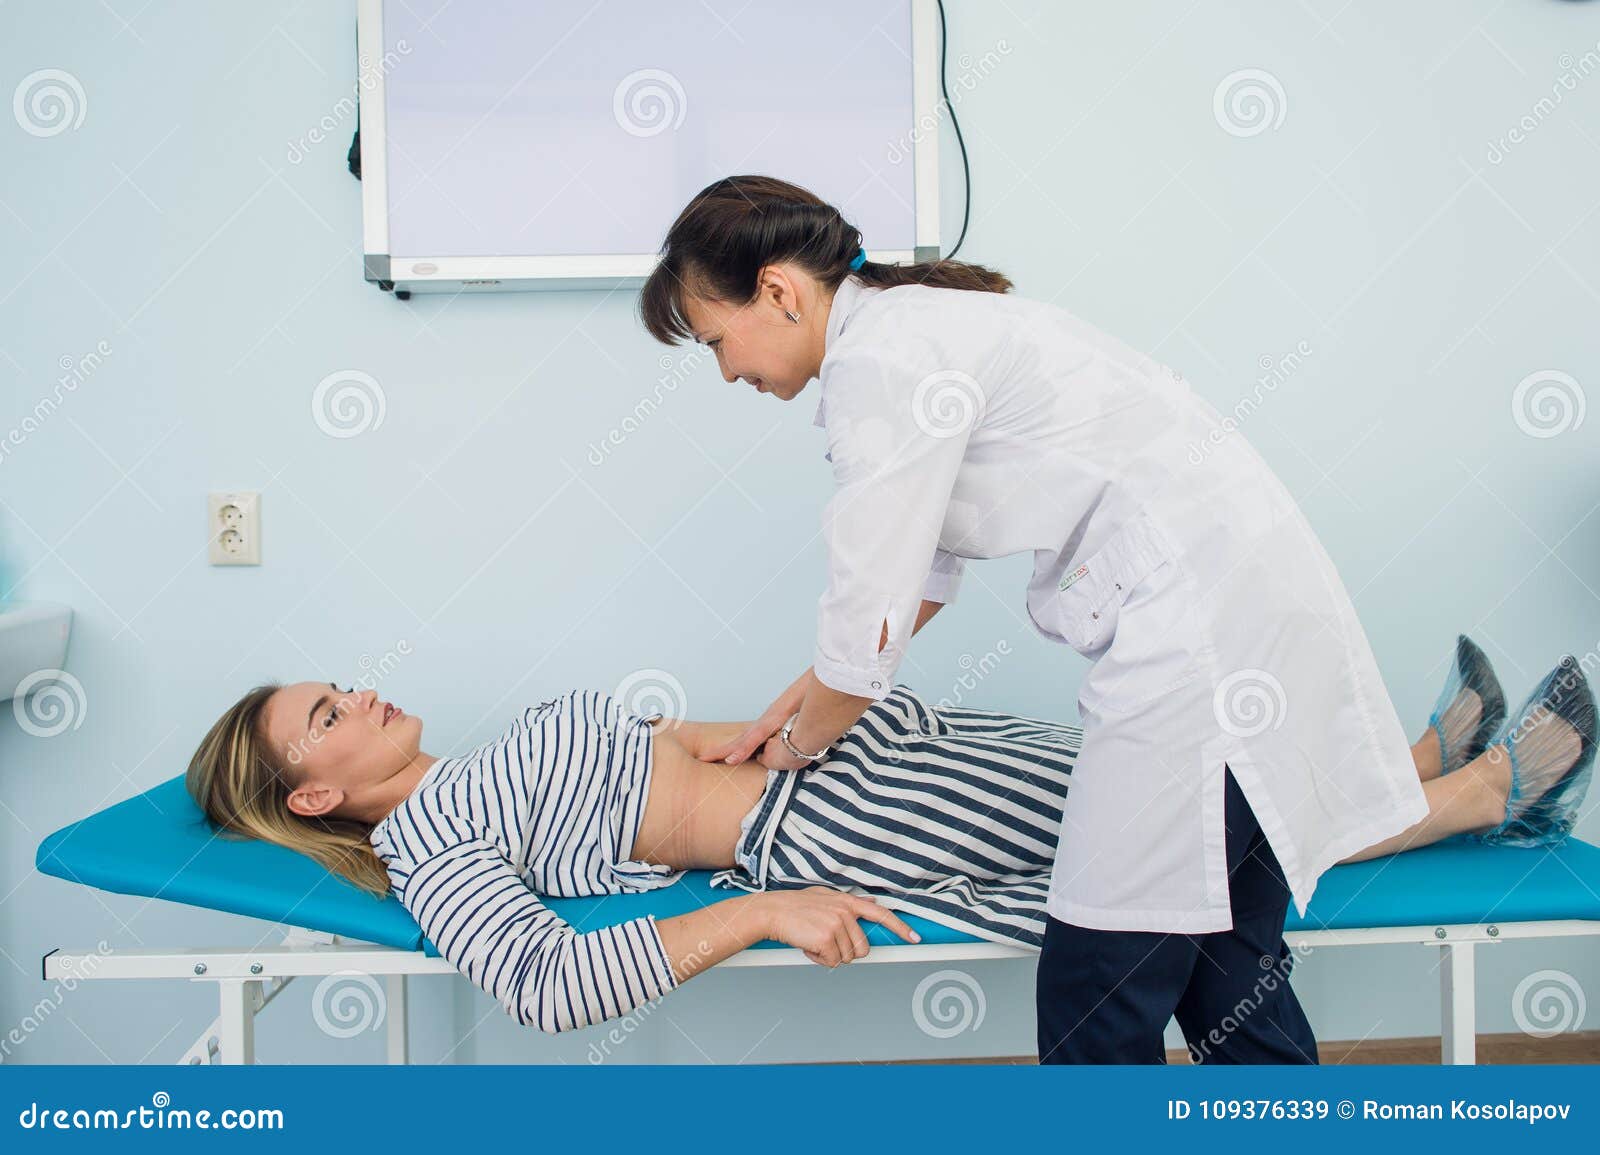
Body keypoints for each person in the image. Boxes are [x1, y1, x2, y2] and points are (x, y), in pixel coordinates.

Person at [635, 173, 1593, 1062]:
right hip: (1230, 611)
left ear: (778, 290)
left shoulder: (881, 365)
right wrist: (784, 711)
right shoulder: (914, 332)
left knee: (1099, 987)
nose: (725, 374)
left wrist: (792, 747)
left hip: (1194, 639)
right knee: (1227, 977)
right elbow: (914, 585)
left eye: (717, 340)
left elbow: (864, 638)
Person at [183, 635, 1594, 1044]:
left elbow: (674, 750)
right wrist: (758, 910)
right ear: (315, 794)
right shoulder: (433, 841)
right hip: (838, 818)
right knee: (1164, 824)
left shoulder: (480, 760)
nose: (357, 687)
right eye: (328, 709)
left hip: (850, 760)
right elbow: (550, 982)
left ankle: (1407, 762)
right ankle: (1478, 793)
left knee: (1147, 773)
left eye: (338, 680)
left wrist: (790, 714)